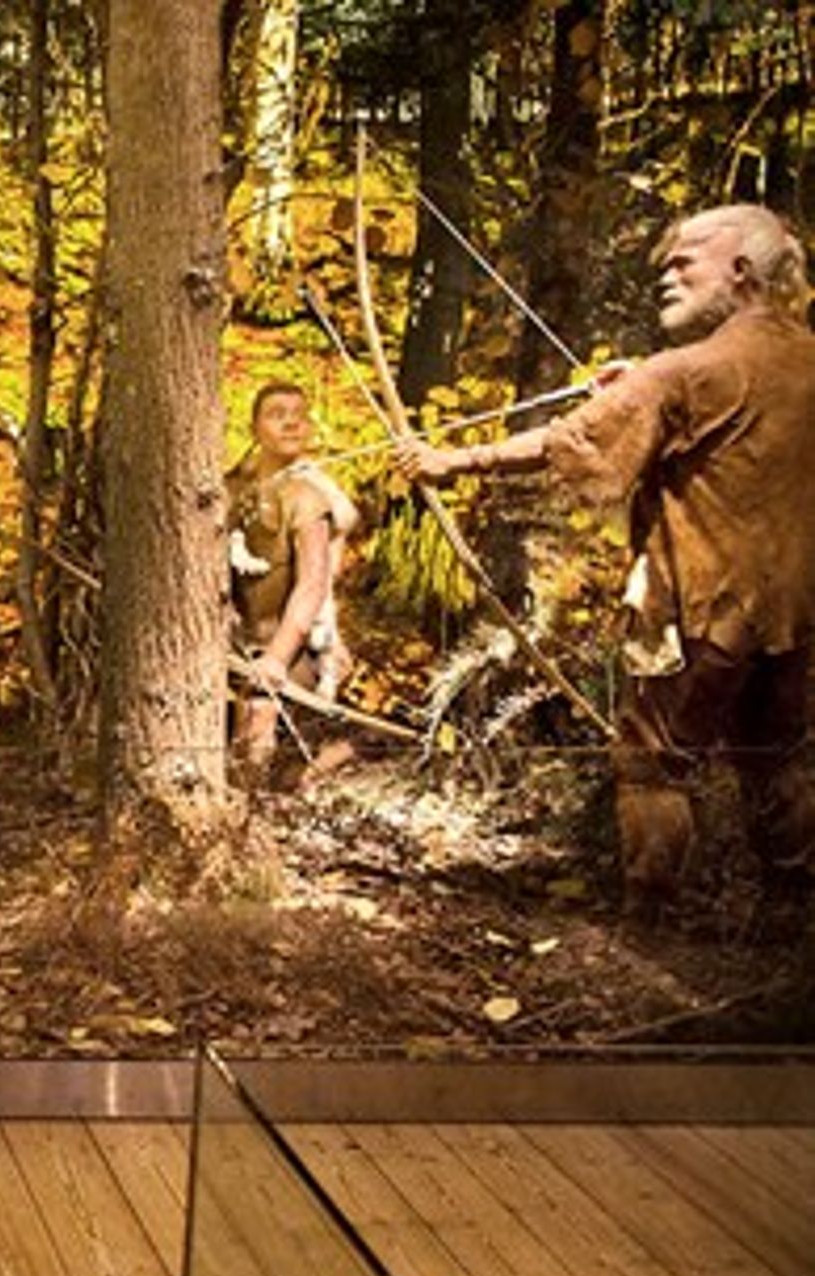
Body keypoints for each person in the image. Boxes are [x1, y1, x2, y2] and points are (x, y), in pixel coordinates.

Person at [398, 203, 815, 908]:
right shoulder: (794, 356)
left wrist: (449, 460)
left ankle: (650, 923)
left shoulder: (689, 369)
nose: (666, 275)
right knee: (774, 758)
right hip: (796, 615)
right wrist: (647, 381)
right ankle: (790, 913)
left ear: (741, 271)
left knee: (652, 763)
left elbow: (570, 443)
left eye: (686, 261)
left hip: (705, 612)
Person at [226, 382, 360, 771]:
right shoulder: (231, 489)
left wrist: (276, 659)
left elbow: (313, 585)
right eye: (276, 414)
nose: (291, 424)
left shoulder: (309, 496)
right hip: (233, 643)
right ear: (254, 429)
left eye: (299, 416)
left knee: (259, 714)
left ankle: (260, 807)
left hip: (289, 646)